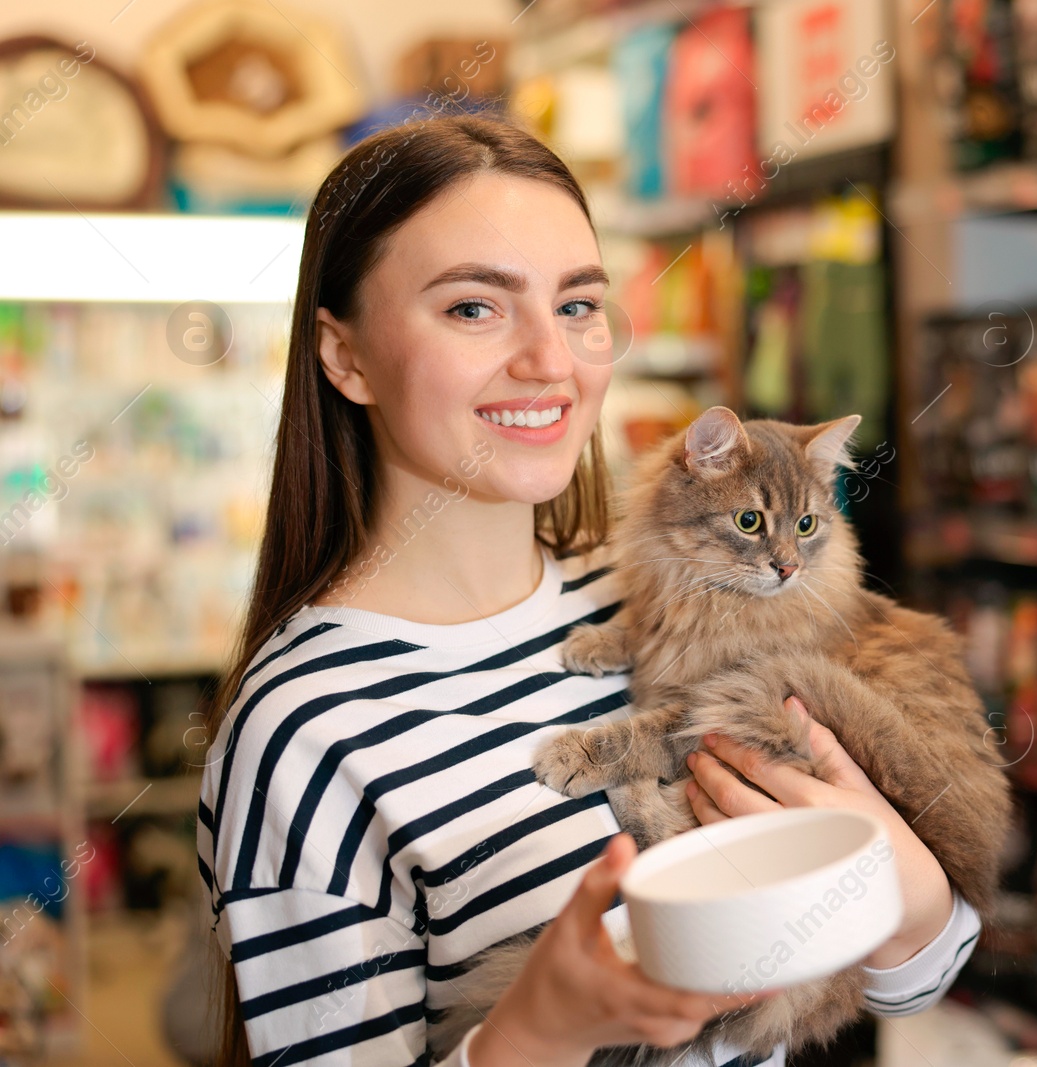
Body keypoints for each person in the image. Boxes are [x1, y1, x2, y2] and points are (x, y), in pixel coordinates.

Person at [197, 115, 981, 1067]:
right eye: (474, 308)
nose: (550, 361)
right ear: (345, 355)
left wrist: (912, 895)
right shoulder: (304, 729)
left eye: (577, 305)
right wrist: (538, 1032)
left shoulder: (658, 605)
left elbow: (916, 975)